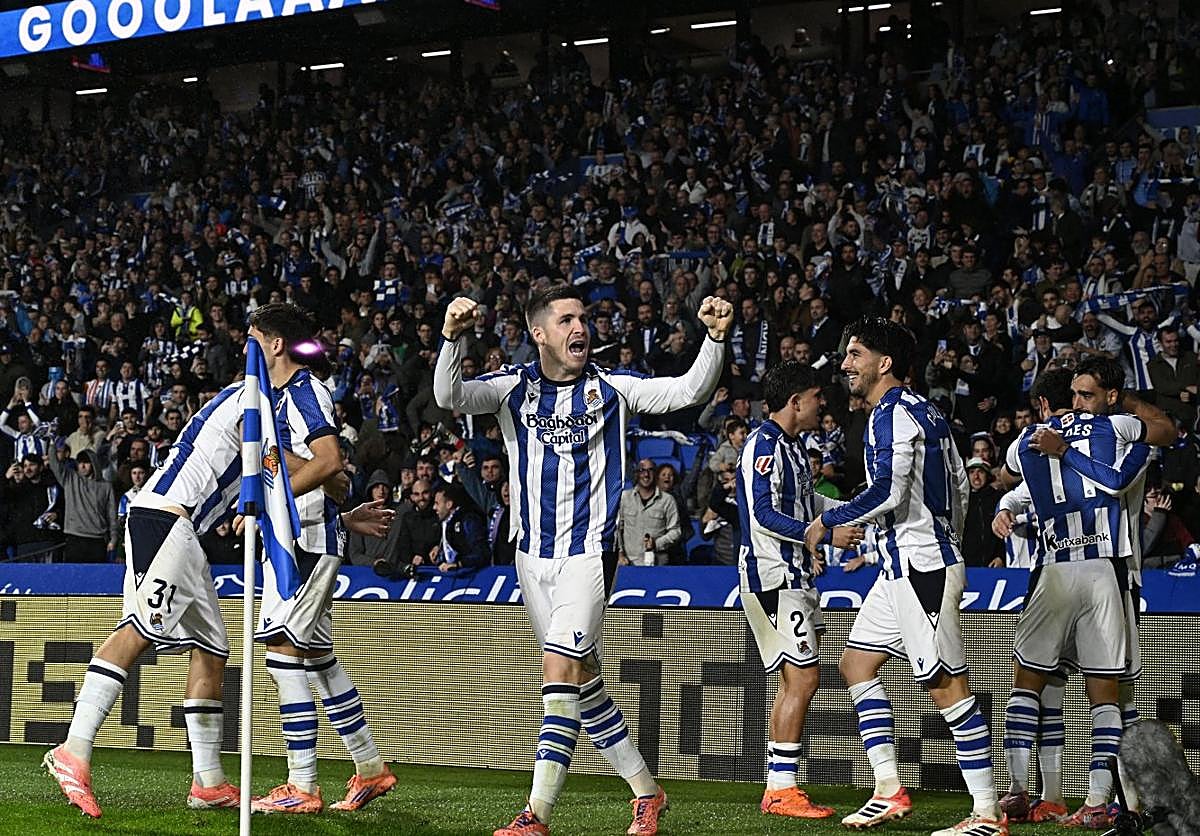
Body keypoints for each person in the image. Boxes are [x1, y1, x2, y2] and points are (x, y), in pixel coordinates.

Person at [434, 286, 733, 836]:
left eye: (585, 319)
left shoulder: (613, 389)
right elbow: (448, 394)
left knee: (559, 671)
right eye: (567, 320)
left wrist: (714, 337)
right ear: (539, 333)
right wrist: (451, 336)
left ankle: (536, 815)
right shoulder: (512, 390)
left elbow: (689, 389)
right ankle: (648, 792)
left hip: (587, 555)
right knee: (583, 684)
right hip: (531, 558)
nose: (581, 328)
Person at [42, 366, 393, 820]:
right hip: (166, 519)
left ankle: (208, 782)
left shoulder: (247, 405)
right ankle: (73, 749)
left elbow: (285, 468)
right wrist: (329, 482)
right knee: (139, 629)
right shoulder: (252, 402)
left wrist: (333, 507)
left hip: (181, 528)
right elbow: (296, 467)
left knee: (212, 648)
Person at [803, 317, 1003, 836]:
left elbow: (889, 493)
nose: (845, 364)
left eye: (854, 354)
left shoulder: (888, 414)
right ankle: (889, 788)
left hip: (921, 568)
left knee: (946, 685)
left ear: (883, 363)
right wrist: (946, 536)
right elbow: (958, 482)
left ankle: (987, 813)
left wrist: (828, 519)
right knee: (855, 664)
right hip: (901, 569)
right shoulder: (925, 410)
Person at [994, 359, 1174, 827]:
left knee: (1043, 683)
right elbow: (1162, 431)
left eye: (1086, 394)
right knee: (1105, 692)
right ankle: (1087, 799)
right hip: (1104, 571)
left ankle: (1115, 801)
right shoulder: (1120, 430)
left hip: (1081, 569)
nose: (1078, 404)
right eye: (1074, 395)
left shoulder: (1029, 439)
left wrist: (1051, 449)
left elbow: (1013, 472)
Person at [244, 303, 397, 814]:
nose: (247, 350)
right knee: (319, 661)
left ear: (275, 343)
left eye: (252, 340)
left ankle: (302, 785)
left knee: (281, 655)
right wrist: (344, 516)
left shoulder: (303, 390)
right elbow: (338, 479)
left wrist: (268, 498)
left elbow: (330, 462)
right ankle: (371, 768)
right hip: (306, 535)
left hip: (304, 544)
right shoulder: (276, 399)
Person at [736, 360, 863, 818]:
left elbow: (810, 503)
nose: (821, 404)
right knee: (805, 677)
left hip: (794, 578)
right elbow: (762, 516)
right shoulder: (762, 445)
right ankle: (780, 790)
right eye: (815, 397)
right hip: (772, 579)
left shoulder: (792, 448)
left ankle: (780, 786)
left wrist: (852, 511)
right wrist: (824, 534)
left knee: (797, 679)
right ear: (795, 402)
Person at [46, 447, 118, 563]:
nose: (82, 466)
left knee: (96, 579)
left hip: (98, 540)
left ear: (93, 463)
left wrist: (114, 538)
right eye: (80, 463)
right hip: (75, 538)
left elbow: (112, 514)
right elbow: (54, 464)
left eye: (86, 463)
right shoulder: (70, 479)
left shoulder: (106, 486)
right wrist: (52, 444)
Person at [618, 458, 683, 566]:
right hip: (629, 563)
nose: (646, 474)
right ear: (637, 474)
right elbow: (617, 530)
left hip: (658, 564)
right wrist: (620, 554)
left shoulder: (667, 500)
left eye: (650, 470)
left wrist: (656, 544)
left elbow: (676, 531)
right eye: (642, 470)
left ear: (655, 474)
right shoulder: (625, 498)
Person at [345, 471, 402, 567]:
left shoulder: (400, 515)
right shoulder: (361, 519)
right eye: (376, 487)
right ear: (370, 490)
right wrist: (374, 563)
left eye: (385, 487)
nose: (381, 491)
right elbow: (355, 554)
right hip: (368, 573)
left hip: (396, 572)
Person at [431, 481, 490, 571]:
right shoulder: (442, 522)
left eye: (437, 503)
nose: (434, 507)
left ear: (449, 504)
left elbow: (481, 553)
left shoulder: (468, 520)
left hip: (471, 576)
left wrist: (459, 564)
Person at [962, 458, 1004, 567]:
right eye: (972, 472)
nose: (976, 476)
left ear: (988, 475)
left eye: (980, 472)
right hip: (967, 565)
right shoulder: (961, 501)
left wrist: (1001, 556)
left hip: (994, 565)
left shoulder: (999, 499)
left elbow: (1006, 530)